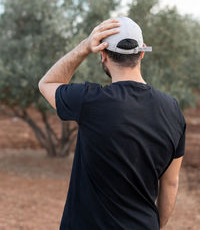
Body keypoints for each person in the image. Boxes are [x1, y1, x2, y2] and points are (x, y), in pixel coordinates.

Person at [38, 16, 186, 230]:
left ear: (103, 55)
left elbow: (47, 83)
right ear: (142, 53)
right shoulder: (173, 110)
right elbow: (170, 183)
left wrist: (84, 47)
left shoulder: (89, 101)